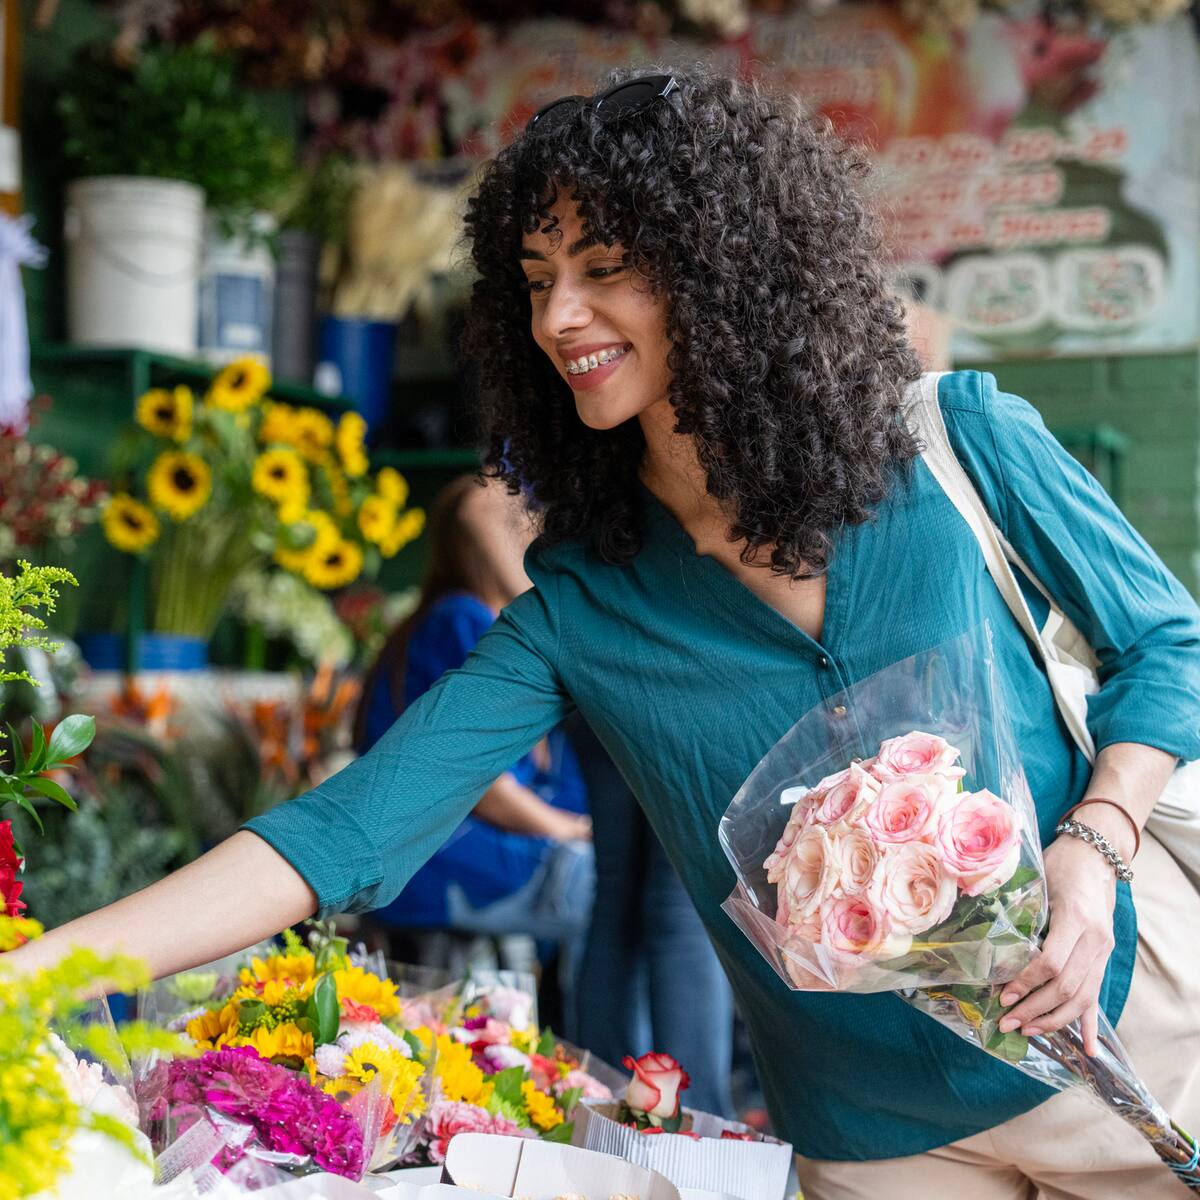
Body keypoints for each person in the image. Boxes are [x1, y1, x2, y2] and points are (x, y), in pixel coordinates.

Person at [17, 66, 1200, 1199]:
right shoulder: (589, 600)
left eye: (603, 267)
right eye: (534, 278)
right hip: (876, 1138)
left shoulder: (953, 445)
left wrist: (1092, 850)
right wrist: (37, 972)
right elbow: (348, 828)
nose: (559, 316)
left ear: (726, 271)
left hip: (1121, 1035)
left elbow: (1170, 643)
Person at [353, 473, 593, 961]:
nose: (538, 530)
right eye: (523, 521)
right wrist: (568, 828)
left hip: (432, 859)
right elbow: (483, 783)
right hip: (446, 861)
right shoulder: (463, 619)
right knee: (620, 890)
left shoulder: (434, 618)